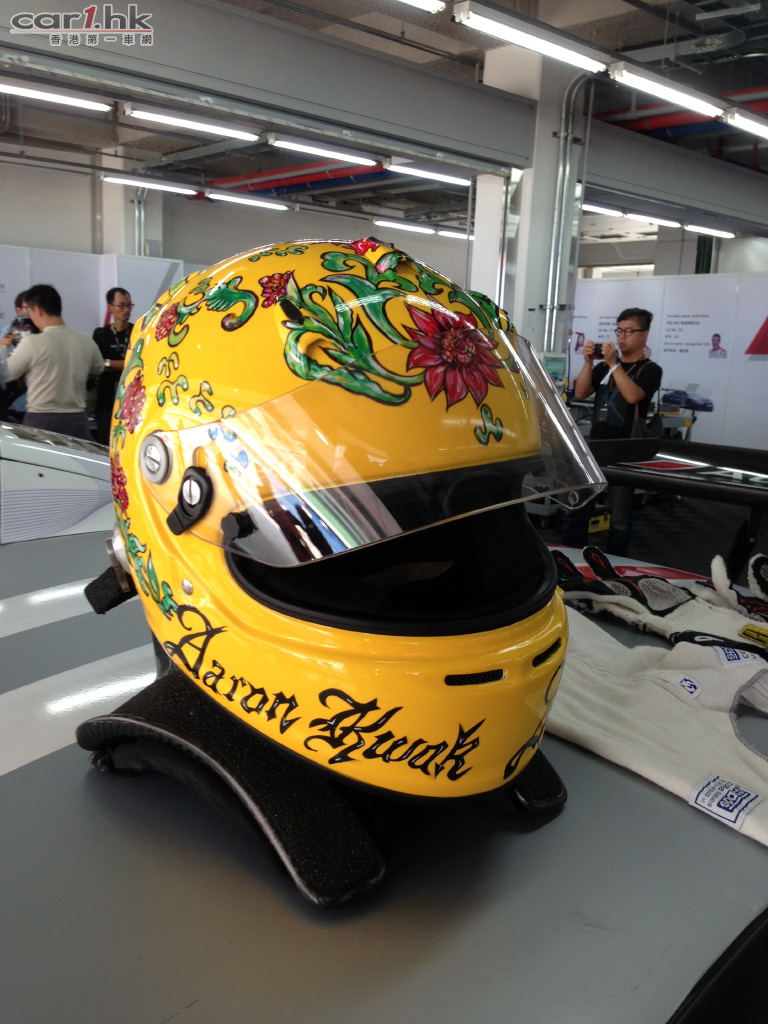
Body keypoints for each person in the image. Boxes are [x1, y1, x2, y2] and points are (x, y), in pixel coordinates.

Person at [562, 307, 662, 556]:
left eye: (629, 331)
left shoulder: (650, 370)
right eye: (619, 331)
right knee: (578, 510)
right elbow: (581, 392)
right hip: (596, 448)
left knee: (619, 518)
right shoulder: (604, 368)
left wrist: (614, 364)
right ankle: (571, 561)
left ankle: (614, 566)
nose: (621, 337)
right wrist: (588, 363)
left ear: (644, 335)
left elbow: (633, 396)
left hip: (625, 451)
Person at [0, 283, 104, 441]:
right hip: (78, 419)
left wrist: (3, 347)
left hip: (42, 420)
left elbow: (7, 373)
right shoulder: (86, 340)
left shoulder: (32, 342)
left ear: (38, 310)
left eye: (30, 312)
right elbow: (99, 368)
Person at [92, 287, 134, 444]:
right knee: (105, 443)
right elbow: (97, 365)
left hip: (132, 400)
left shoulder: (137, 331)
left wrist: (109, 362)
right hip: (106, 400)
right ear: (110, 308)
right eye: (121, 305)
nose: (126, 310)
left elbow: (139, 364)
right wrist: (125, 364)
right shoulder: (101, 334)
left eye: (129, 305)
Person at [0, 292, 33, 422]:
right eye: (28, 308)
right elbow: (5, 373)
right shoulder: (6, 334)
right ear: (18, 310)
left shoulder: (45, 333)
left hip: (39, 402)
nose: (32, 312)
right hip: (16, 403)